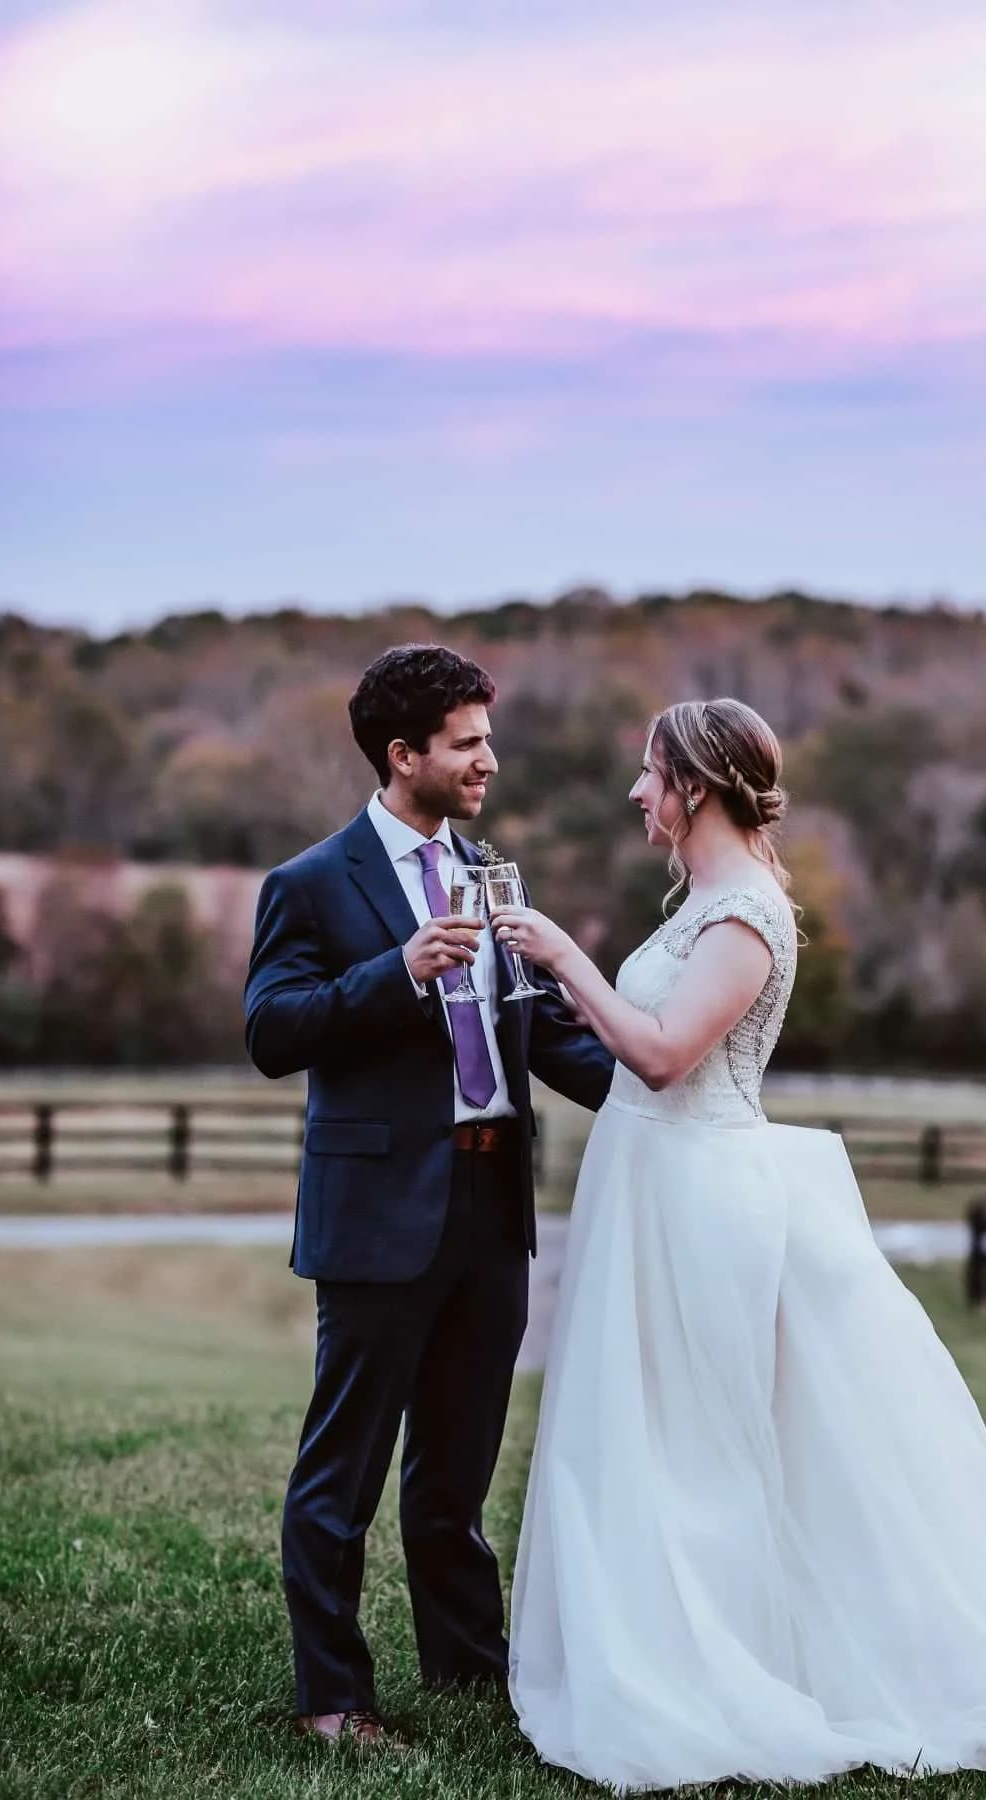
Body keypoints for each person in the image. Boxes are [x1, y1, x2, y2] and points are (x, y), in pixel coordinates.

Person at [493, 697, 986, 1791]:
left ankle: (723, 1664)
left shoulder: (744, 916)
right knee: (647, 1431)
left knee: (705, 1441)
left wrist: (563, 957)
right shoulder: (703, 903)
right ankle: (647, 1637)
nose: (636, 792)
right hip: (649, 1185)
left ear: (698, 786)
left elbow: (670, 1056)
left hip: (698, 1195)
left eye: (649, 773)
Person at [243, 643, 614, 1747]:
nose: (489, 760)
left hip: (492, 1207)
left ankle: (465, 1671)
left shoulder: (493, 872)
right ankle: (333, 1701)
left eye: (486, 738)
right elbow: (272, 1029)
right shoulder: (310, 884)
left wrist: (658, 1083)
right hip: (376, 1213)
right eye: (468, 743)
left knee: (455, 1472)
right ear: (403, 756)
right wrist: (394, 971)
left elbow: (537, 1027)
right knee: (341, 1475)